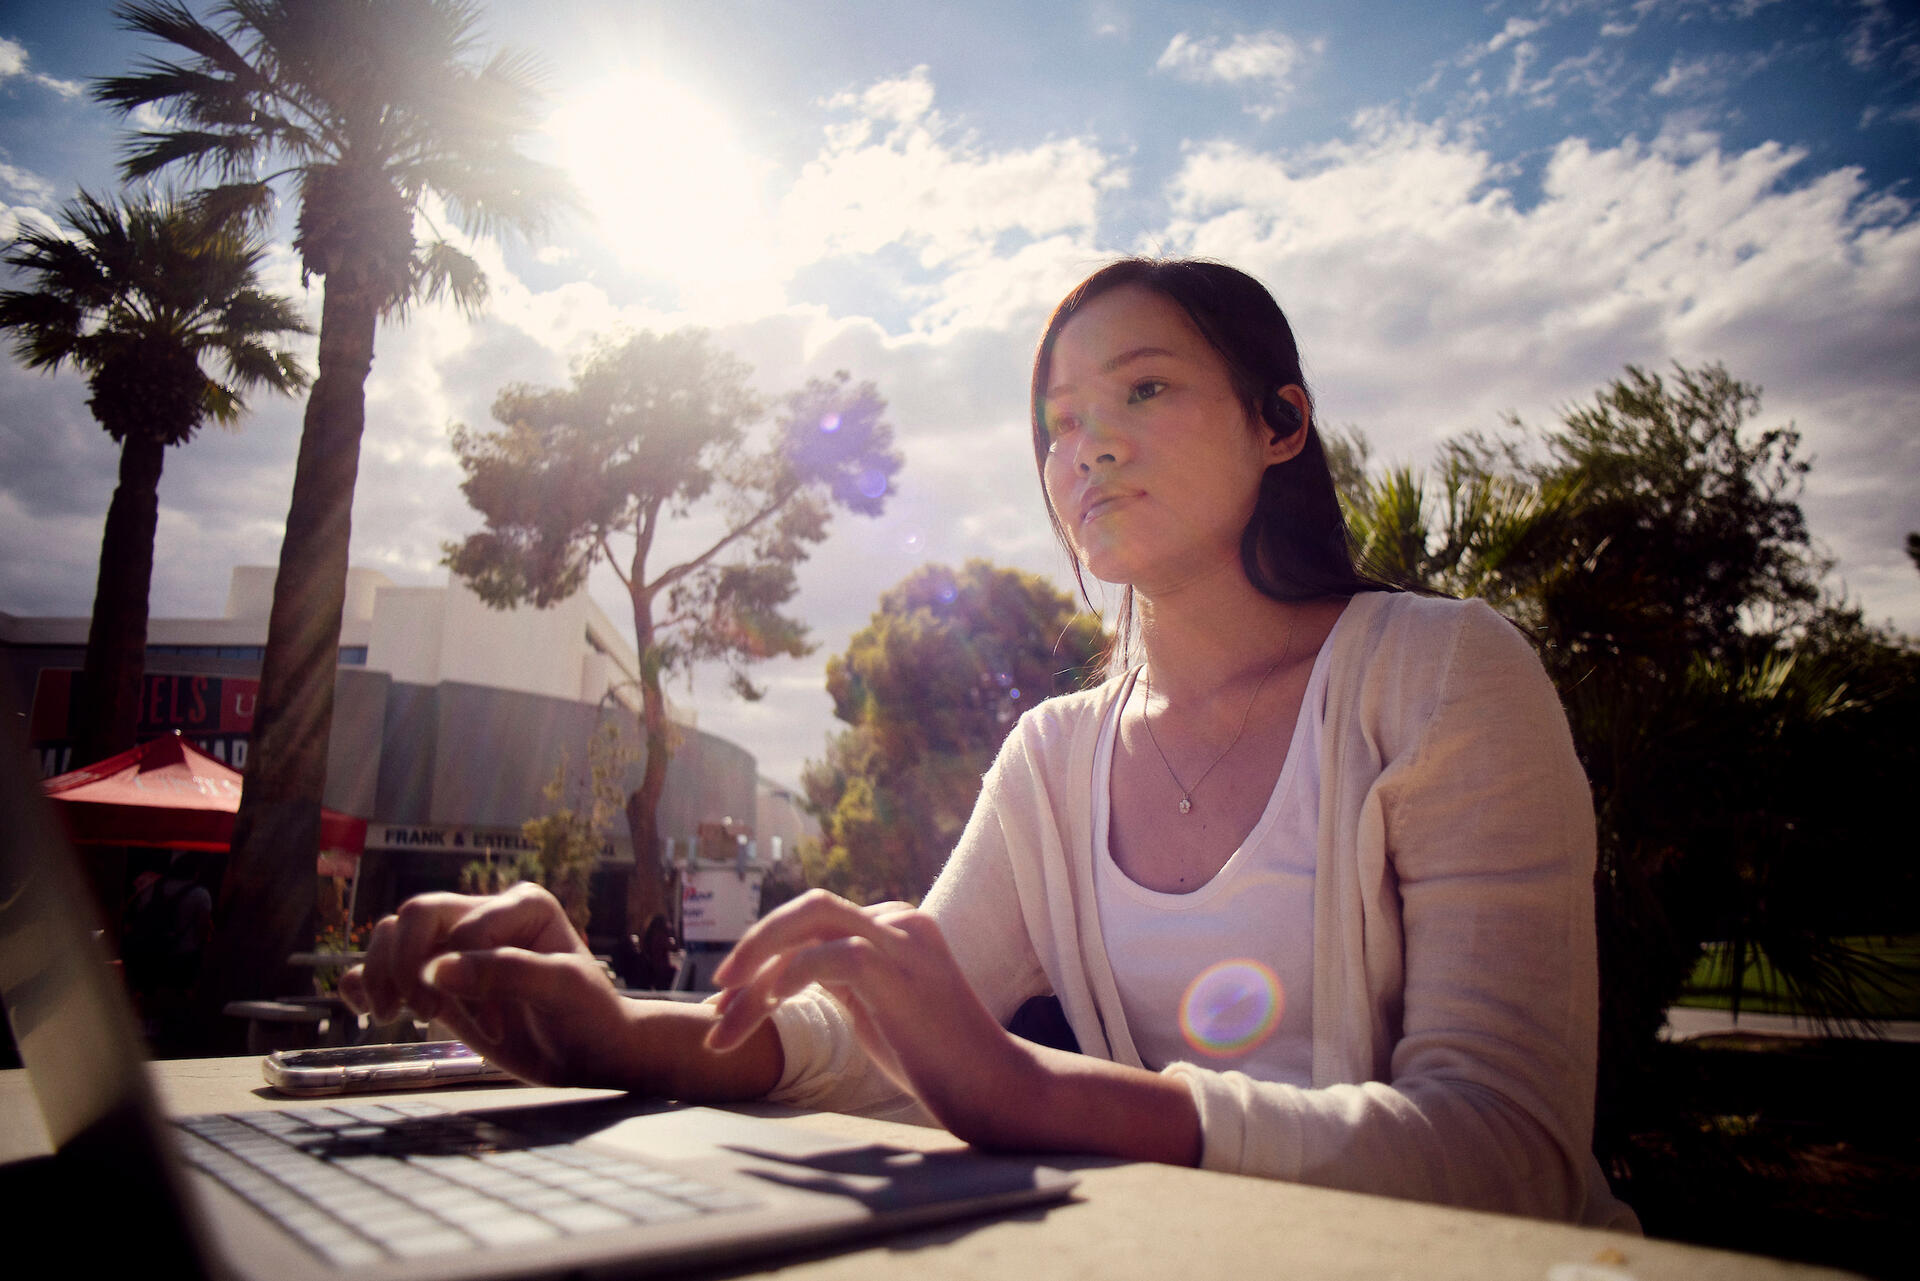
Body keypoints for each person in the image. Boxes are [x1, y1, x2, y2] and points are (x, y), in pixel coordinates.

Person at [342, 258, 1635, 1229]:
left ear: (1280, 422)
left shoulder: (1441, 672)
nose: (1089, 446)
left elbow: (1509, 1150)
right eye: (1059, 422)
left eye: (1144, 388)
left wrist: (1037, 1092)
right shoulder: (1053, 758)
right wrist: (620, 1027)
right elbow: (873, 1044)